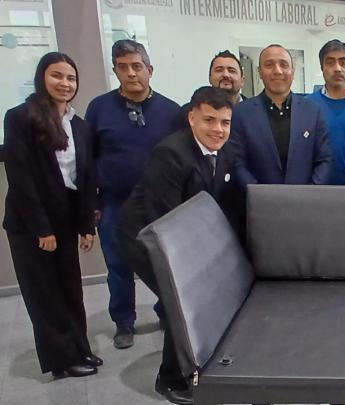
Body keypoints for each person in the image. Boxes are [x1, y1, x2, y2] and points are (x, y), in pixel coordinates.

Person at [117, 87, 240, 405]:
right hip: (148, 238)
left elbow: (221, 202)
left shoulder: (225, 151)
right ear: (192, 118)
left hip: (185, 235)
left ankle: (196, 364)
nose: (217, 129)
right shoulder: (170, 154)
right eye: (209, 120)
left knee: (194, 301)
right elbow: (166, 219)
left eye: (225, 122)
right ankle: (170, 379)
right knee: (181, 304)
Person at [3, 52, 103, 378]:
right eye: (57, 76)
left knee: (71, 289)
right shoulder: (20, 118)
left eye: (71, 78)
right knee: (45, 295)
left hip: (66, 217)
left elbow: (85, 177)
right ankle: (61, 360)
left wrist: (86, 225)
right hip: (32, 223)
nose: (65, 83)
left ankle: (80, 349)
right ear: (42, 78)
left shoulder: (79, 125)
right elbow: (21, 178)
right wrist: (41, 229)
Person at [86, 39, 181, 350]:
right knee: (118, 265)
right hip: (114, 202)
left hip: (158, 203)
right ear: (115, 71)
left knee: (163, 263)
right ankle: (124, 321)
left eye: (137, 66)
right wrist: (92, 202)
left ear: (149, 70)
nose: (131, 73)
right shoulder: (99, 108)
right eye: (123, 67)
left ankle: (167, 312)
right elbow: (87, 159)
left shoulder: (171, 111)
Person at [231, 44, 333, 187]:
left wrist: (309, 192)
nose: (277, 71)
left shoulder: (313, 111)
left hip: (304, 198)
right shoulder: (241, 112)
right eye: (269, 65)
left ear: (293, 71)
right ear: (259, 72)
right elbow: (237, 162)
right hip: (258, 198)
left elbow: (325, 159)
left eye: (284, 65)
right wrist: (257, 193)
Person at [306, 39, 345, 185]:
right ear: (322, 68)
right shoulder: (307, 106)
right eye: (330, 62)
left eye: (343, 62)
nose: (337, 68)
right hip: (316, 189)